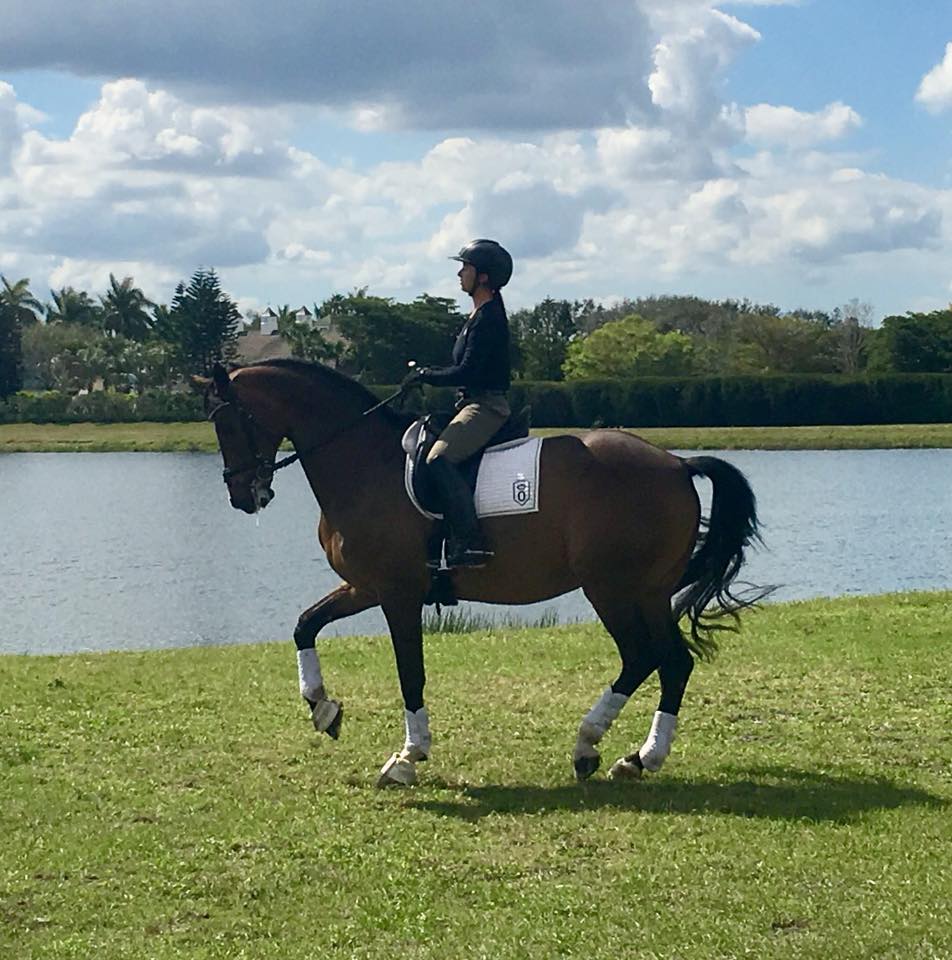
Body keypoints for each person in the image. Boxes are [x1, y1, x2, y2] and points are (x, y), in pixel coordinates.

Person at [409, 238, 513, 568]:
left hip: (485, 406)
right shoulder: (478, 315)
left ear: (482, 277)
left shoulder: (488, 319)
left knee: (439, 459)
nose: (459, 273)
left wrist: (426, 374)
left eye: (465, 267)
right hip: (469, 404)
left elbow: (467, 371)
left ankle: (469, 543)